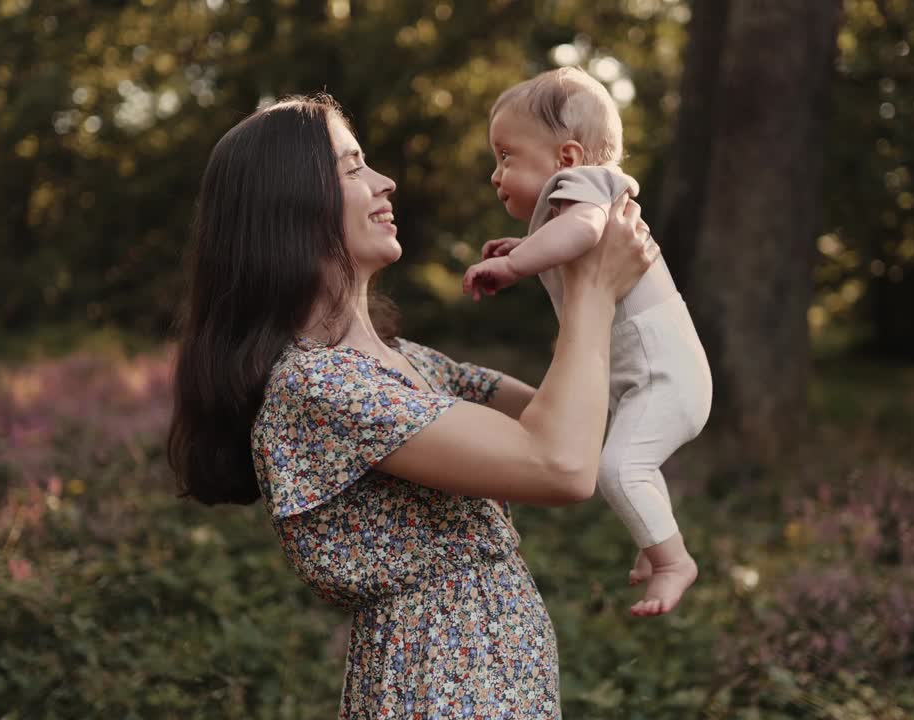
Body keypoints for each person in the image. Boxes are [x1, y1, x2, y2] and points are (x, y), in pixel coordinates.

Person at [167, 94, 659, 717]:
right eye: (352, 169)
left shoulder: (414, 364)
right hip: (438, 690)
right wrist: (592, 289)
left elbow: (582, 423)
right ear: (290, 206)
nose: (385, 181)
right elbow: (559, 464)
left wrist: (587, 267)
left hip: (499, 684)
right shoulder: (320, 387)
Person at [463, 67, 713, 617]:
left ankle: (674, 562)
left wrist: (513, 264)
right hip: (645, 379)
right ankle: (655, 544)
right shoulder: (571, 203)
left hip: (665, 377)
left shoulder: (594, 187)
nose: (494, 173)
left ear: (568, 159)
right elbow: (566, 238)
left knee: (619, 470)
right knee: (627, 465)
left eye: (506, 156)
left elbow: (580, 232)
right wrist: (525, 245)